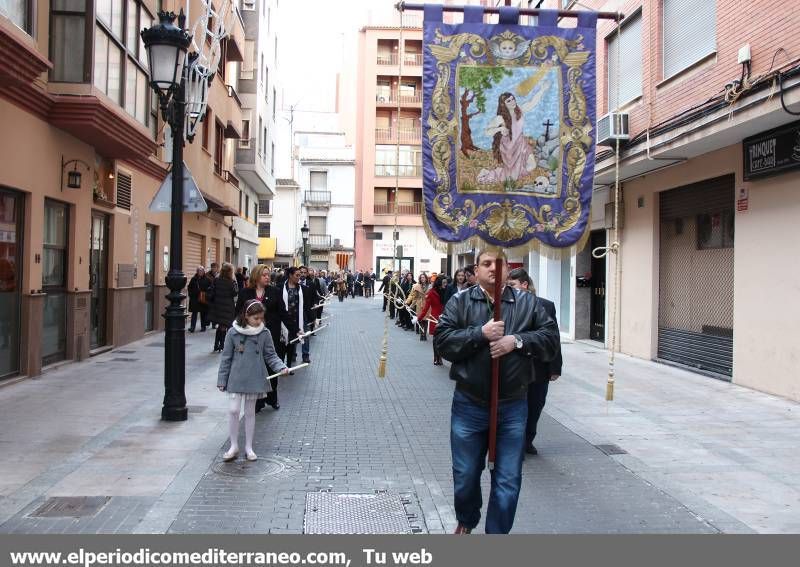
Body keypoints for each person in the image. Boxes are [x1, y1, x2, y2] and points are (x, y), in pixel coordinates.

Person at [434, 250, 559, 534]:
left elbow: (550, 340)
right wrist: (480, 334)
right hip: (469, 403)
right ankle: (467, 518)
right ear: (476, 270)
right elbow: (443, 340)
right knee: (465, 474)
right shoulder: (460, 301)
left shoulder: (528, 303)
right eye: (486, 264)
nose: (493, 269)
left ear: (507, 269)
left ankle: (496, 535)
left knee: (508, 479)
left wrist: (516, 341)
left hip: (513, 405)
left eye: (498, 264)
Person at [217, 299, 289, 462]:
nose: (259, 322)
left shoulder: (264, 333)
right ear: (246, 315)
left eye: (261, 318)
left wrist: (281, 368)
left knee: (250, 412)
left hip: (254, 377)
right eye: (256, 318)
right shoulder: (233, 332)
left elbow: (271, 355)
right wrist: (222, 379)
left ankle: (249, 447)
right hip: (236, 377)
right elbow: (226, 357)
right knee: (234, 410)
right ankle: (233, 445)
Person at [507, 267, 563, 456]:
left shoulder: (546, 306)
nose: (510, 289)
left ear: (524, 285)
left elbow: (554, 339)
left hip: (539, 367)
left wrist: (555, 367)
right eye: (508, 285)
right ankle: (518, 445)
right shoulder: (506, 305)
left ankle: (528, 439)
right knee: (517, 407)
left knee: (535, 406)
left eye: (513, 285)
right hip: (515, 367)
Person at [236, 264, 298, 412]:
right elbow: (238, 313)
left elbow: (283, 313)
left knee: (271, 366)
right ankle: (257, 401)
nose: (267, 277)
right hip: (251, 336)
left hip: (270, 335)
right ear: (256, 276)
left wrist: (295, 330)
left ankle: (272, 398)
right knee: (255, 368)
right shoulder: (245, 293)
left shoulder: (274, 292)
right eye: (264, 275)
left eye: (268, 275)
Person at [476, 86, 549, 186]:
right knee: (511, 178)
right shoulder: (500, 118)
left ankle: (517, 172)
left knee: (532, 165)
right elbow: (486, 132)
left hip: (521, 144)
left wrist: (542, 89)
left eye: (513, 99)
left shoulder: (520, 110)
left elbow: (532, 102)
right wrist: (500, 129)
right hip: (509, 149)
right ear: (503, 104)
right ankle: (491, 174)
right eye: (508, 101)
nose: (513, 102)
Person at [282, 267, 314, 367]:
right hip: (287, 317)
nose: (299, 277)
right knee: (291, 337)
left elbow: (307, 304)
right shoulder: (281, 287)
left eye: (300, 275)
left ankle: (305, 355)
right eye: (297, 275)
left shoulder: (303, 289)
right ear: (290, 275)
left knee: (304, 335)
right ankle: (292, 355)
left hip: (301, 316)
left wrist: (312, 318)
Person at [208, 263, 238, 352]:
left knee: (221, 326)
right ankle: (222, 345)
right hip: (228, 307)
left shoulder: (216, 280)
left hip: (218, 306)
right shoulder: (231, 282)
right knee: (225, 326)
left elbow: (212, 293)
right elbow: (235, 293)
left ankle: (216, 344)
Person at [418, 275, 446, 365]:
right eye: (444, 283)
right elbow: (426, 308)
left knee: (442, 339)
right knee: (435, 339)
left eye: (446, 282)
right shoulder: (431, 292)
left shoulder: (446, 291)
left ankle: (440, 357)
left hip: (445, 317)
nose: (445, 284)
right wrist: (419, 318)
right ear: (439, 283)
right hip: (435, 318)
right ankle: (436, 358)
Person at [406, 273, 431, 341]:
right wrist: (408, 303)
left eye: (423, 277)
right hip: (419, 305)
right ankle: (421, 334)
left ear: (426, 278)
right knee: (420, 319)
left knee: (426, 320)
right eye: (421, 277)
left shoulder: (430, 286)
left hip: (427, 305)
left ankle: (424, 334)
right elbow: (413, 296)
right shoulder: (416, 286)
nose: (422, 279)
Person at [187, 266, 211, 333]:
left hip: (203, 298)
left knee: (203, 313)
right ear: (197, 272)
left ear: (203, 272)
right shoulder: (193, 279)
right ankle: (192, 327)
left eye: (201, 271)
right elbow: (189, 287)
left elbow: (211, 288)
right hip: (195, 298)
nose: (200, 272)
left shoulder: (207, 279)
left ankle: (203, 327)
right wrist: (191, 294)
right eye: (199, 271)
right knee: (194, 313)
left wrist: (207, 294)